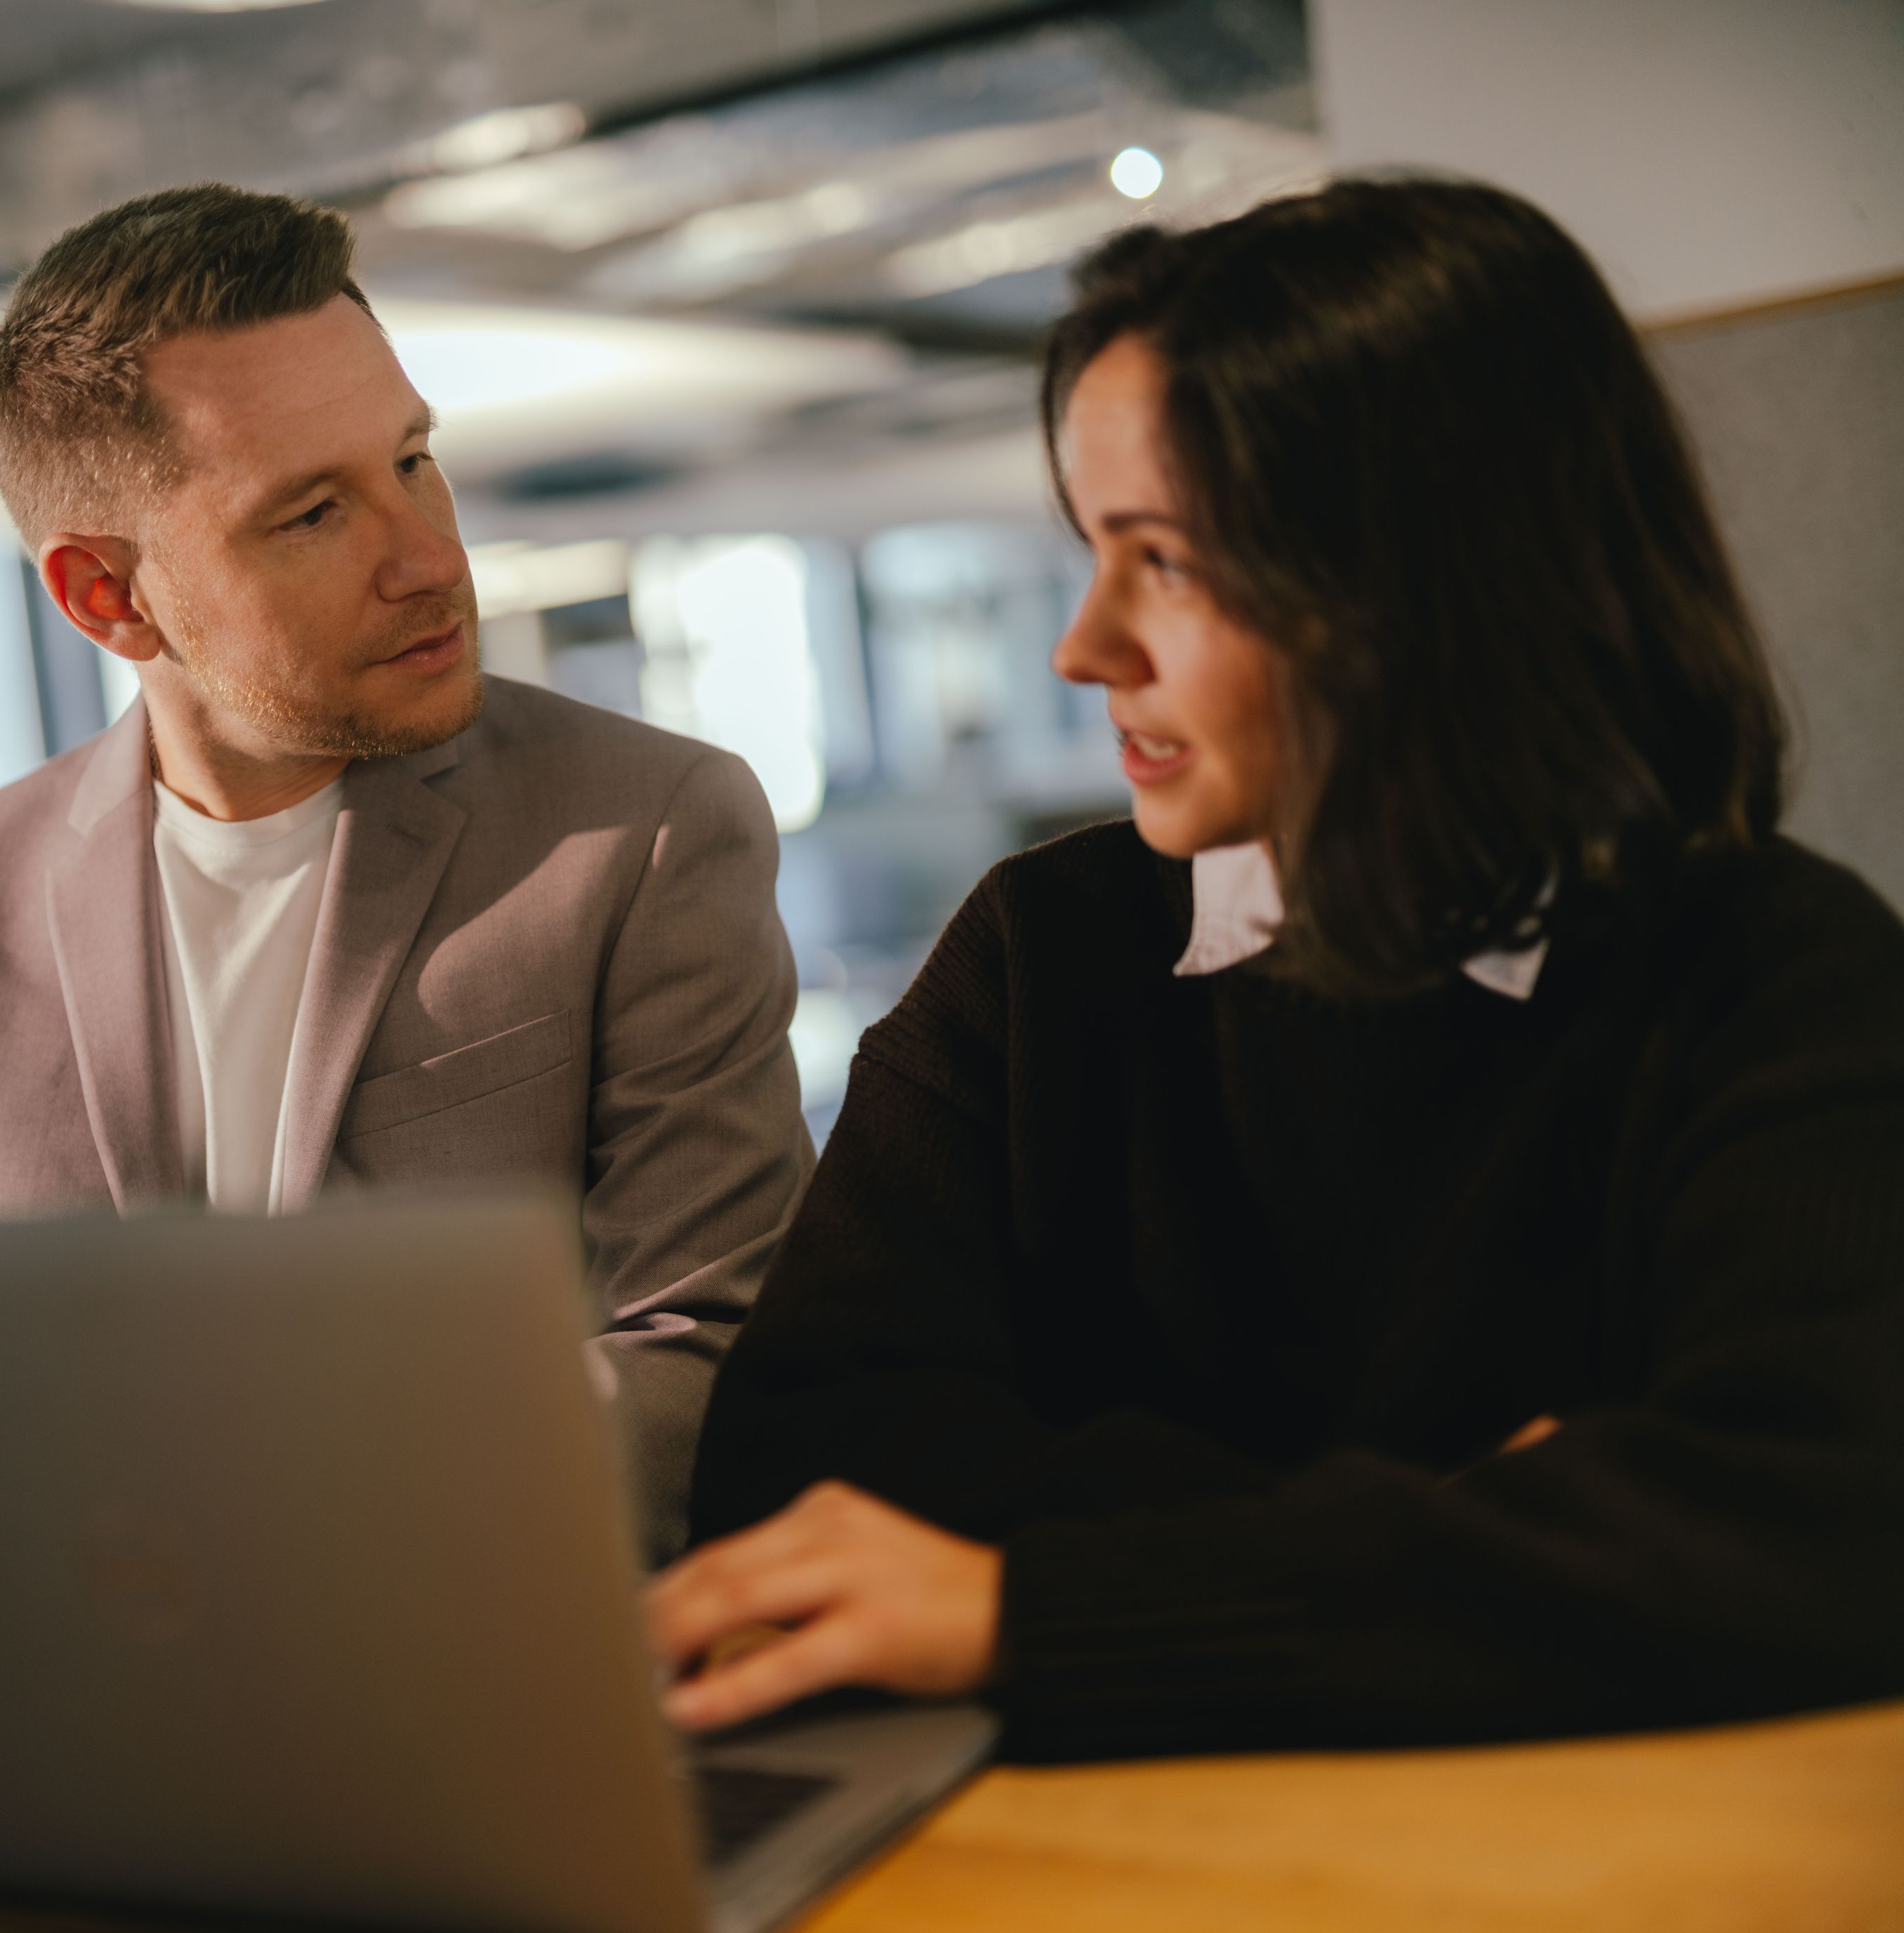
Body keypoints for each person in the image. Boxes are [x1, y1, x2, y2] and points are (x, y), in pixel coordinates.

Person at [646, 175, 1904, 1758]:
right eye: (1090, 552)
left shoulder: (1776, 977)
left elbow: (1821, 1538)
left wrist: (1028, 1600)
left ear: (1421, 578)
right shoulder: (1049, 954)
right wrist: (1468, 1533)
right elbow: (801, 1472)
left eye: (1161, 559)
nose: (1083, 646)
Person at [0, 185, 811, 1561]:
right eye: (309, 515)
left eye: (412, 460)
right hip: (83, 1692)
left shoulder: (641, 829)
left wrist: (267, 1540)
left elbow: (711, 1350)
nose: (430, 559)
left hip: (494, 1660)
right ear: (108, 598)